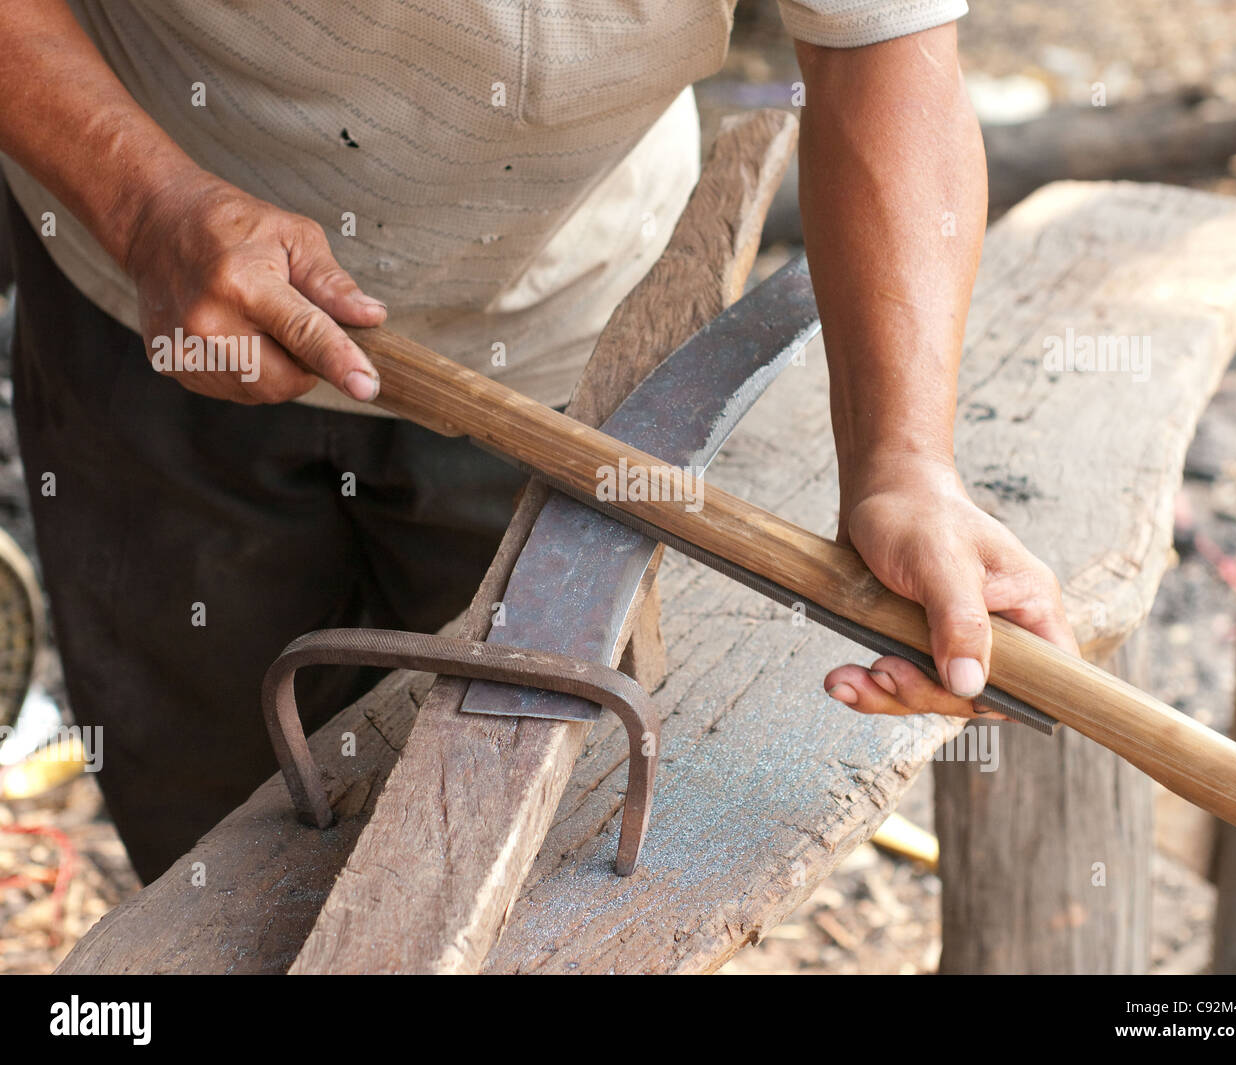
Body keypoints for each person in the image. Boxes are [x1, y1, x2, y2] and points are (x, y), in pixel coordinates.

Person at [0, 1, 1077, 883]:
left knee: (503, 810)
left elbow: (880, 50)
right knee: (204, 815)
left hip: (563, 333)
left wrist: (903, 463)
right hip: (146, 290)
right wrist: (142, 208)